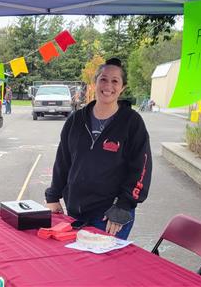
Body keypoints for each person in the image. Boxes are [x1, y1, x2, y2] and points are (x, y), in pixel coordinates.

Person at [45, 58, 152, 240]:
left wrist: (123, 206)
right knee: (74, 265)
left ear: (123, 87)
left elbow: (141, 169)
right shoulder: (76, 120)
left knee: (103, 267)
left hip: (110, 216)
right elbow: (63, 161)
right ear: (94, 83)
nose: (108, 85)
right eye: (103, 79)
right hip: (76, 211)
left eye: (115, 81)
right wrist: (53, 196)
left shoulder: (131, 122)